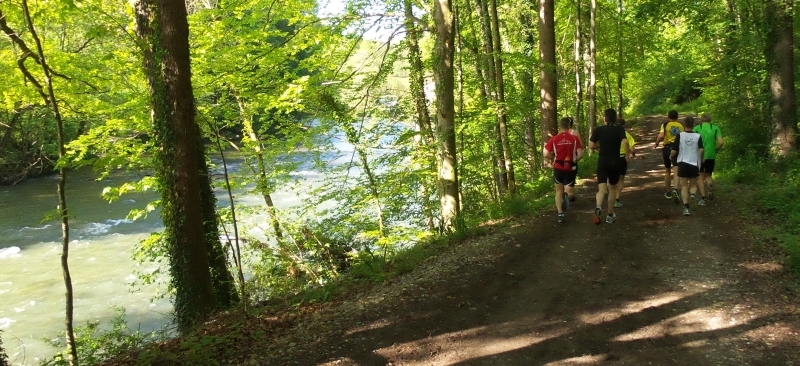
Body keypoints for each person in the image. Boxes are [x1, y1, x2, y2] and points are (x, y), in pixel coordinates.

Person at [589, 109, 630, 224]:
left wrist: (599, 147)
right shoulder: (619, 129)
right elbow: (626, 142)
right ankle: (610, 214)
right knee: (612, 188)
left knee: (601, 189)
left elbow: (591, 145)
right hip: (615, 162)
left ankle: (598, 206)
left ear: (605, 119)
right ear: (615, 119)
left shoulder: (599, 129)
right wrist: (627, 156)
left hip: (602, 161)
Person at [544, 117, 584, 223]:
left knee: (558, 191)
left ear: (560, 126)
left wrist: (553, 158)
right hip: (570, 167)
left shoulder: (554, 139)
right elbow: (580, 154)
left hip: (558, 166)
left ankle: (560, 213)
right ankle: (568, 195)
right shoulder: (574, 138)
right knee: (568, 189)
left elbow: (545, 154)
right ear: (569, 126)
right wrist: (574, 160)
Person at [670, 116, 705, 216]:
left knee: (684, 186)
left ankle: (686, 208)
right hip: (694, 163)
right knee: (693, 184)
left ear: (684, 125)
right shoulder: (698, 136)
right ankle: (693, 195)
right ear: (693, 125)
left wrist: (671, 156)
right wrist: (701, 158)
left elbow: (674, 150)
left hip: (682, 163)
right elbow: (701, 149)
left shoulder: (680, 136)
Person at [692, 113, 724, 200]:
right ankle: (709, 184)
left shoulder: (696, 128)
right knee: (708, 175)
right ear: (710, 119)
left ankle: (703, 197)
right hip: (711, 155)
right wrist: (716, 149)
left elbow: (692, 142)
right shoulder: (715, 128)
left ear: (701, 119)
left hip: (700, 155)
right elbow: (721, 142)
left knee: (700, 176)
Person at [654, 110, 684, 202]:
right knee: (676, 170)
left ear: (668, 117)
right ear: (677, 117)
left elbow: (661, 135)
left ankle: (668, 191)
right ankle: (676, 189)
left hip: (667, 148)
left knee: (667, 170)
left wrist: (656, 143)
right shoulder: (681, 125)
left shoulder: (665, 125)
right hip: (677, 149)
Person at [613, 118, 636, 208]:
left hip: (611, 158)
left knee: (610, 177)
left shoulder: (611, 133)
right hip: (622, 158)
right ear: (624, 126)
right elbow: (633, 150)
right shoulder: (627, 135)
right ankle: (617, 199)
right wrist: (632, 154)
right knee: (621, 179)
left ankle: (610, 193)